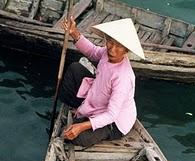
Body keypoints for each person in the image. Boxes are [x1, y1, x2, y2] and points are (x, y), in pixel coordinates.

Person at [60, 17, 145, 147]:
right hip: (98, 99)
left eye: (119, 46)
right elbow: (93, 52)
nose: (112, 49)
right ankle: (82, 110)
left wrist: (83, 126)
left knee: (77, 138)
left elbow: (111, 115)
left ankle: (85, 117)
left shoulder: (123, 78)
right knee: (75, 68)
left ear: (126, 50)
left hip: (115, 121)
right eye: (110, 41)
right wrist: (74, 32)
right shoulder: (107, 53)